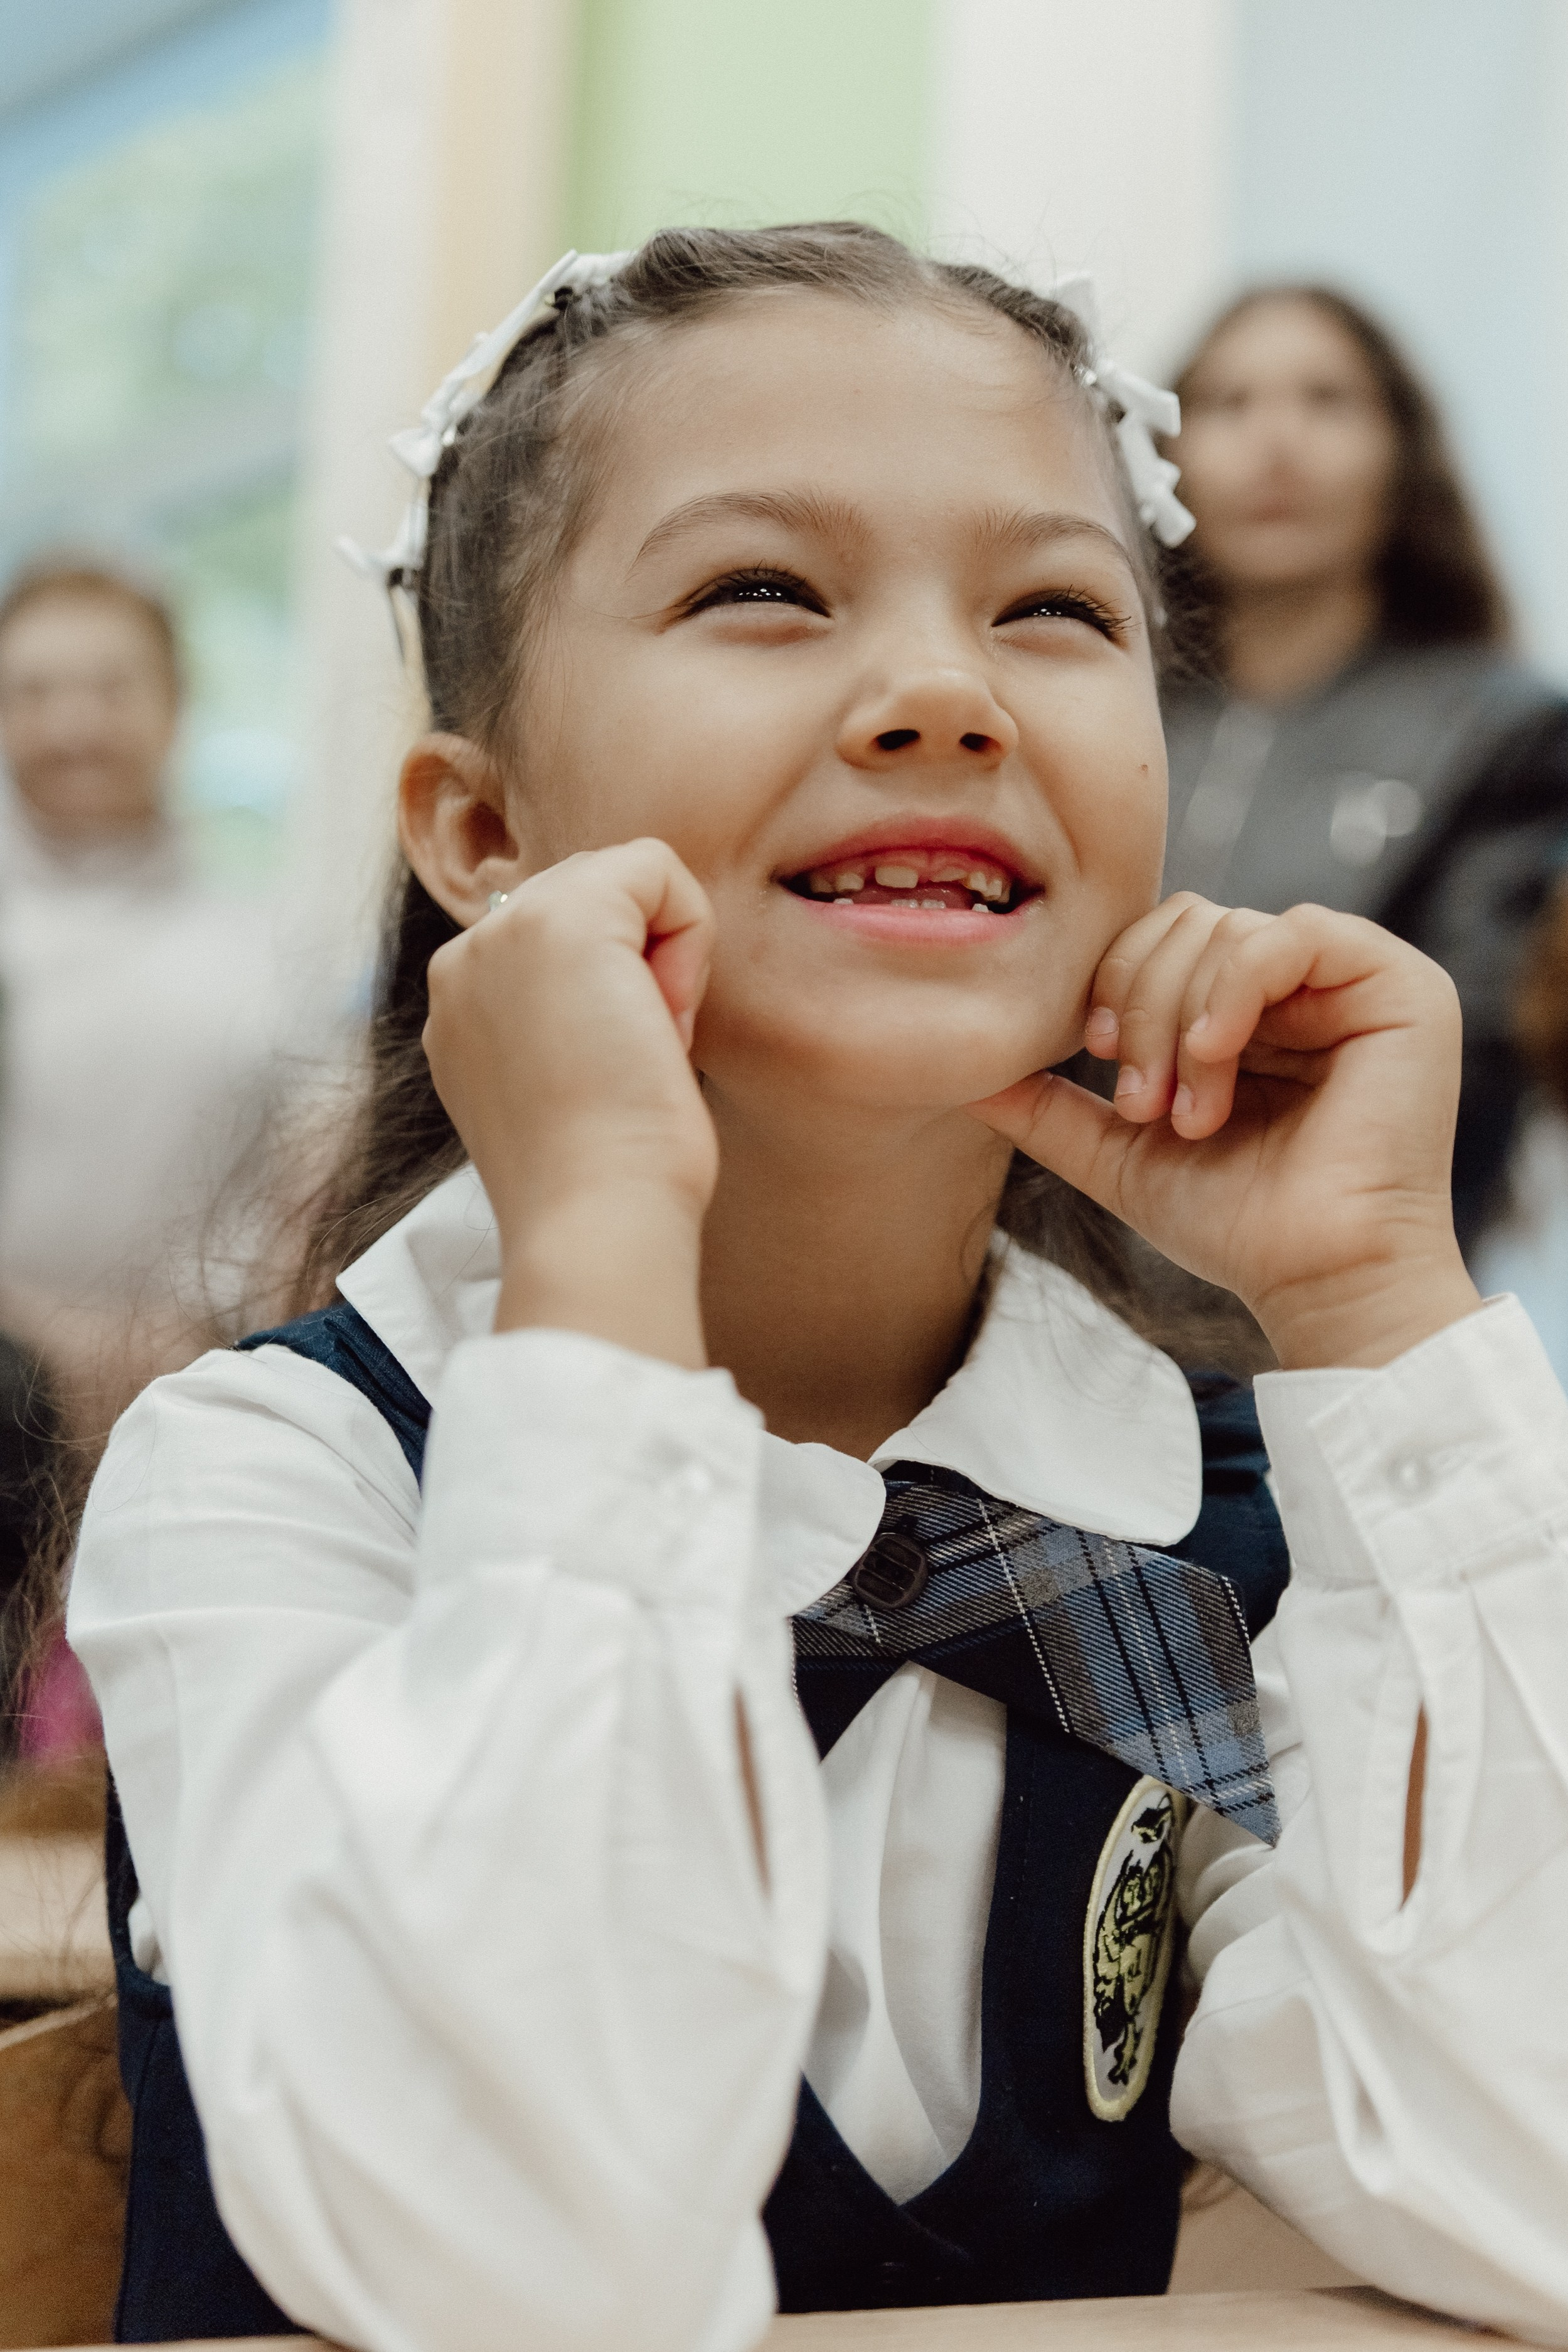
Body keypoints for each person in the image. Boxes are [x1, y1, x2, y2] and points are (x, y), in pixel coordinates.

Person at [63, 226, 1568, 2352]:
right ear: (482, 830)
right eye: (764, 589)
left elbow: (1531, 2190)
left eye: (1056, 608)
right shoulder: (287, 1476)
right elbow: (519, 2268)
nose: (948, 689)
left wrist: (1382, 1312)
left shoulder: (1220, 1510)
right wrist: (595, 1249)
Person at [1160, 286, 1568, 1248]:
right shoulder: (1106, 706)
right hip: (1063, 1311)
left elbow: (1481, 1048)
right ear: (1160, 457)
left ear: (1402, 457)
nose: (1277, 444)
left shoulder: (1499, 731)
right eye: (1227, 403)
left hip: (1343, 1297)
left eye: (1328, 401)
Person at [0, 560, 308, 1433]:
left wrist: (186, 1339)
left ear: (175, 703)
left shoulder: (267, 952)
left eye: (109, 686)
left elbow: (293, 1193)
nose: (72, 725)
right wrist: (38, 1345)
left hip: (191, 1392)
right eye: (33, 690)